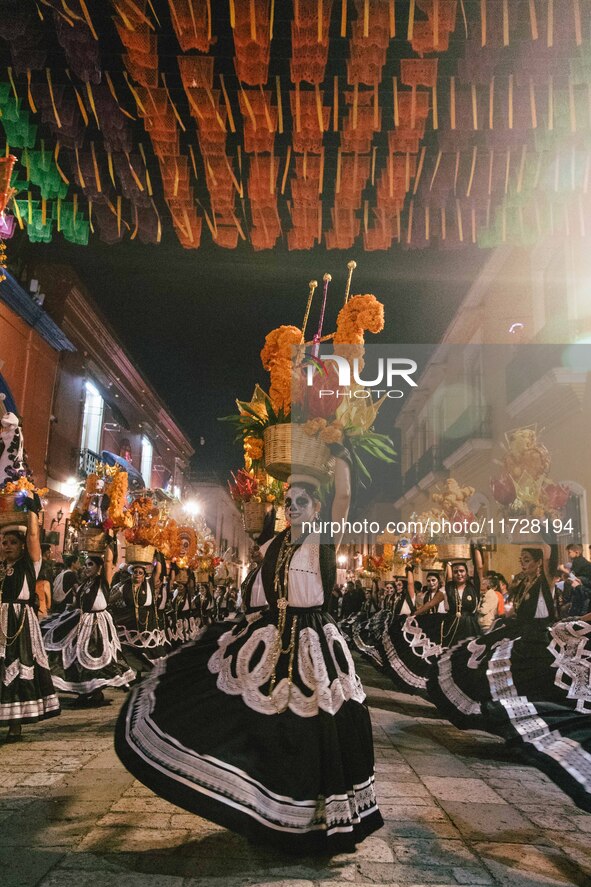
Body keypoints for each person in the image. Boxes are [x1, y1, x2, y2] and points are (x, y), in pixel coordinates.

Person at [115, 462, 383, 853]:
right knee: (261, 724)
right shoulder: (273, 545)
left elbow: (344, 495)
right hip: (269, 641)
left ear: (317, 507)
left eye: (301, 501)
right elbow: (258, 595)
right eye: (288, 501)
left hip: (313, 644)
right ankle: (264, 807)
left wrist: (341, 451)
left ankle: (312, 818)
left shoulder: (325, 537)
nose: (292, 507)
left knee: (314, 728)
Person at [41, 544, 135, 706]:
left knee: (96, 657)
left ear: (99, 568)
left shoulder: (102, 580)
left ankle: (95, 691)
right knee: (76, 658)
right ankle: (85, 691)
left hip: (98, 624)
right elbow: (77, 604)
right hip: (82, 623)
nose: (86, 567)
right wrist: (61, 619)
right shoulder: (85, 583)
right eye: (85, 564)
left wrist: (108, 536)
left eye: (91, 564)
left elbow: (108, 562)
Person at [0, 513, 60, 740]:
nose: (7, 547)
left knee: (16, 669)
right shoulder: (1, 566)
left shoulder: (29, 566)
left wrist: (32, 509)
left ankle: (16, 724)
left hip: (19, 623)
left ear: (23, 547)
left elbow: (33, 535)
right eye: (4, 543)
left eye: (13, 542)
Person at [109, 564, 168, 676]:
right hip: (129, 622)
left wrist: (158, 555)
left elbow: (158, 570)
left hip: (146, 623)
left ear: (144, 575)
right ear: (131, 574)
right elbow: (111, 599)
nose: (137, 574)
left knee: (149, 649)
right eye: (135, 572)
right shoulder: (124, 586)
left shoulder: (149, 584)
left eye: (140, 573)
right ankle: (135, 673)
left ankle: (157, 671)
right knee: (128, 648)